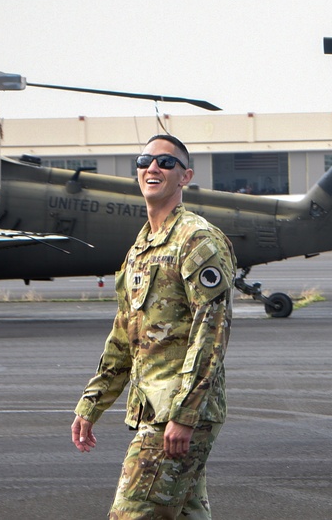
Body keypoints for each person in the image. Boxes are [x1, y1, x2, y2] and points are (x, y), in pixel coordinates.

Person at [71, 134, 235, 519]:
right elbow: (123, 336)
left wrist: (184, 414)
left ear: (185, 176)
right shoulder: (142, 248)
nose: (153, 168)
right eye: (145, 161)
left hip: (177, 415)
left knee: (132, 513)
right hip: (155, 410)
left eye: (166, 163)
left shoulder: (196, 240)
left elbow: (211, 333)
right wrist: (91, 404)